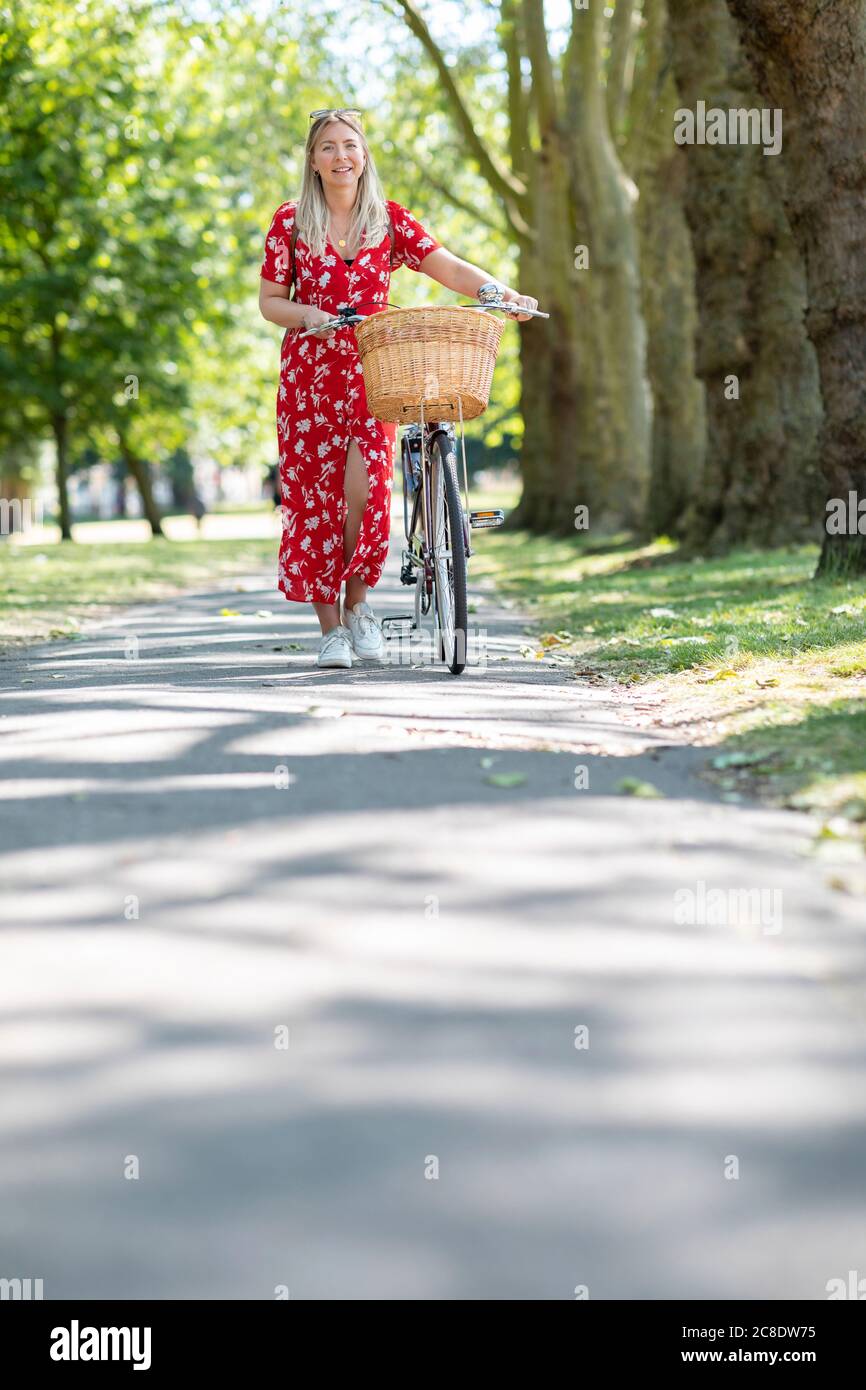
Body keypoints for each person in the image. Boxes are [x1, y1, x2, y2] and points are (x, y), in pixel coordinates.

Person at [258, 107, 538, 669]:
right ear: (313, 161)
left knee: (365, 494)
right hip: (310, 382)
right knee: (317, 502)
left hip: (374, 372)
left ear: (364, 156)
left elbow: (448, 267)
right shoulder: (290, 222)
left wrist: (503, 292)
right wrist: (308, 314)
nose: (341, 156)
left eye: (350, 146)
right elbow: (269, 303)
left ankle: (359, 607)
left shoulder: (387, 220)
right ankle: (330, 628)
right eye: (329, 147)